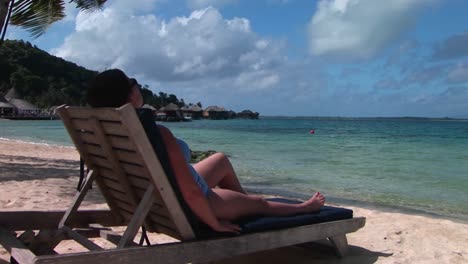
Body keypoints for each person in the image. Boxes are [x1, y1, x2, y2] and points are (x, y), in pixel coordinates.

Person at [87, 69, 326, 233]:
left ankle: (244, 207)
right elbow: (191, 192)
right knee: (260, 202)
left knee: (220, 159)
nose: (137, 86)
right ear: (129, 94)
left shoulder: (111, 132)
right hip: (198, 201)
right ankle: (301, 208)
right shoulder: (156, 133)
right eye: (132, 83)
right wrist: (214, 223)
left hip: (159, 197)